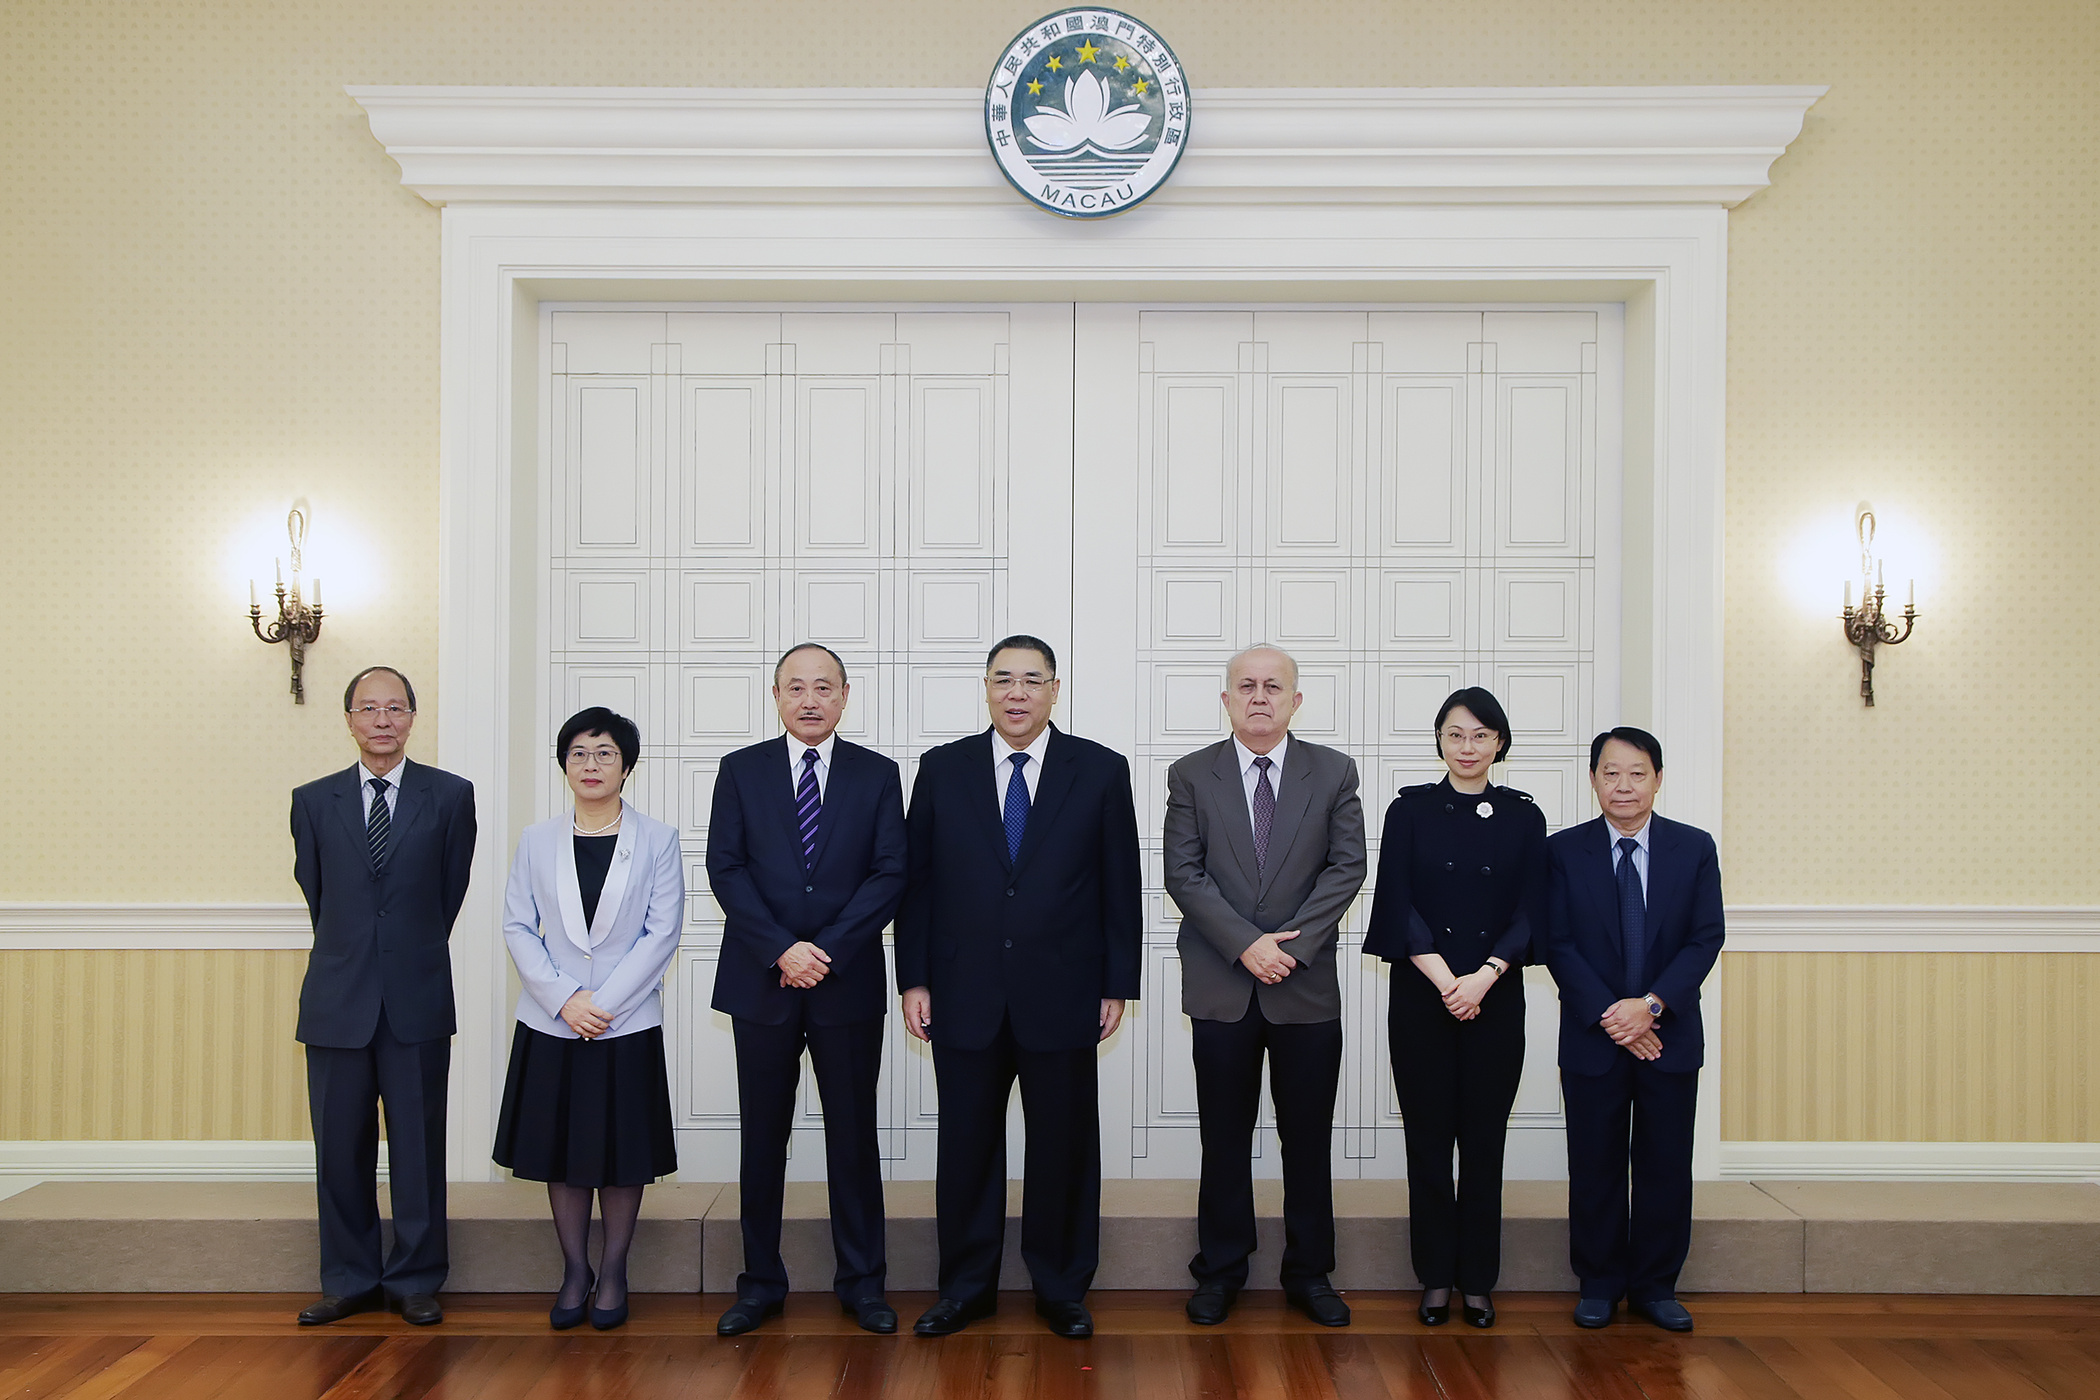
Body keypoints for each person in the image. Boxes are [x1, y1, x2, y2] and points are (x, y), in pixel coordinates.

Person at [895, 634, 1142, 1339]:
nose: (1017, 692)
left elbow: (1119, 882)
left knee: (1063, 1146)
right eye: (1003, 678)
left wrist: (1116, 983)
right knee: (966, 1146)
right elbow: (917, 883)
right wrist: (914, 978)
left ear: (1055, 690)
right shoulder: (943, 768)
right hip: (961, 989)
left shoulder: (1100, 769)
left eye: (1033, 679)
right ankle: (965, 1288)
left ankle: (1061, 1287)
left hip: (1065, 990)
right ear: (986, 688)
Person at [707, 644, 908, 1337]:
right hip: (761, 981)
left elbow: (890, 872)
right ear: (776, 696)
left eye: (824, 687)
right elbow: (726, 868)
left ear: (845, 696)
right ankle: (760, 1284)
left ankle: (863, 1283)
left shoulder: (878, 774)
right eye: (796, 687)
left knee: (853, 1137)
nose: (810, 700)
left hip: (844, 981)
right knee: (763, 1139)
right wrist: (782, 949)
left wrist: (826, 950)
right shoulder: (741, 770)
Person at [1162, 646, 1366, 1328]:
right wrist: (1246, 944)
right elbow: (1183, 873)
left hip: (1303, 989)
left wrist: (1290, 949)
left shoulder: (1333, 772)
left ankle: (1310, 1273)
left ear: (1294, 701)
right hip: (1223, 984)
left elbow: (1347, 868)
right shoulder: (1191, 774)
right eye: (1245, 686)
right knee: (1223, 1139)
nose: (1259, 697)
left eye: (1272, 687)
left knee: (1307, 1140)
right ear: (1226, 699)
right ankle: (1220, 1270)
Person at [290, 665, 476, 1327]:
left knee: (419, 1148)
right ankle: (348, 1279)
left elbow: (448, 894)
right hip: (337, 1000)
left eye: (395, 708)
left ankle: (416, 1278)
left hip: (415, 998)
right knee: (339, 1151)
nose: (382, 720)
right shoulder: (313, 801)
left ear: (412, 718)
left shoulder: (450, 796)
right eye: (368, 708)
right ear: (349, 720)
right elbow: (318, 896)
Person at [492, 707, 683, 1331]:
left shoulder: (657, 839)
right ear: (564, 765)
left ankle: (615, 1271)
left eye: (605, 753)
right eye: (578, 753)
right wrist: (565, 999)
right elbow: (518, 925)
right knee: (563, 1153)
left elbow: (662, 933)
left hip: (624, 1023)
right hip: (553, 1021)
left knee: (623, 1155)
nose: (591, 764)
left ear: (626, 766)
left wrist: (602, 1006)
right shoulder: (535, 839)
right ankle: (575, 1270)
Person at [1363, 687, 1547, 1330]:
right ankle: (1436, 1277)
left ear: (1500, 743)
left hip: (1495, 998)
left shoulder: (1524, 817)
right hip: (1425, 998)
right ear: (1439, 741)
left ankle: (1478, 1281)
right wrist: (1449, 983)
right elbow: (1397, 903)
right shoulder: (1409, 811)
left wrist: (1484, 978)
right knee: (1428, 1142)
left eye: (1480, 735)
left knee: (1485, 1144)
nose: (1467, 747)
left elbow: (1532, 910)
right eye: (1454, 735)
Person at [1543, 727, 1724, 1334]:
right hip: (1594, 1038)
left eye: (1637, 773)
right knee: (1594, 1164)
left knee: (1664, 1165)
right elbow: (1557, 943)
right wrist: (1614, 1015)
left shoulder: (1693, 848)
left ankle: (1655, 1286)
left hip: (1668, 1036)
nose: (1623, 785)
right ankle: (1598, 1283)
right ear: (1594, 779)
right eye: (1611, 773)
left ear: (1658, 779)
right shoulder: (1563, 852)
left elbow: (1706, 937)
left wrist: (1649, 1006)